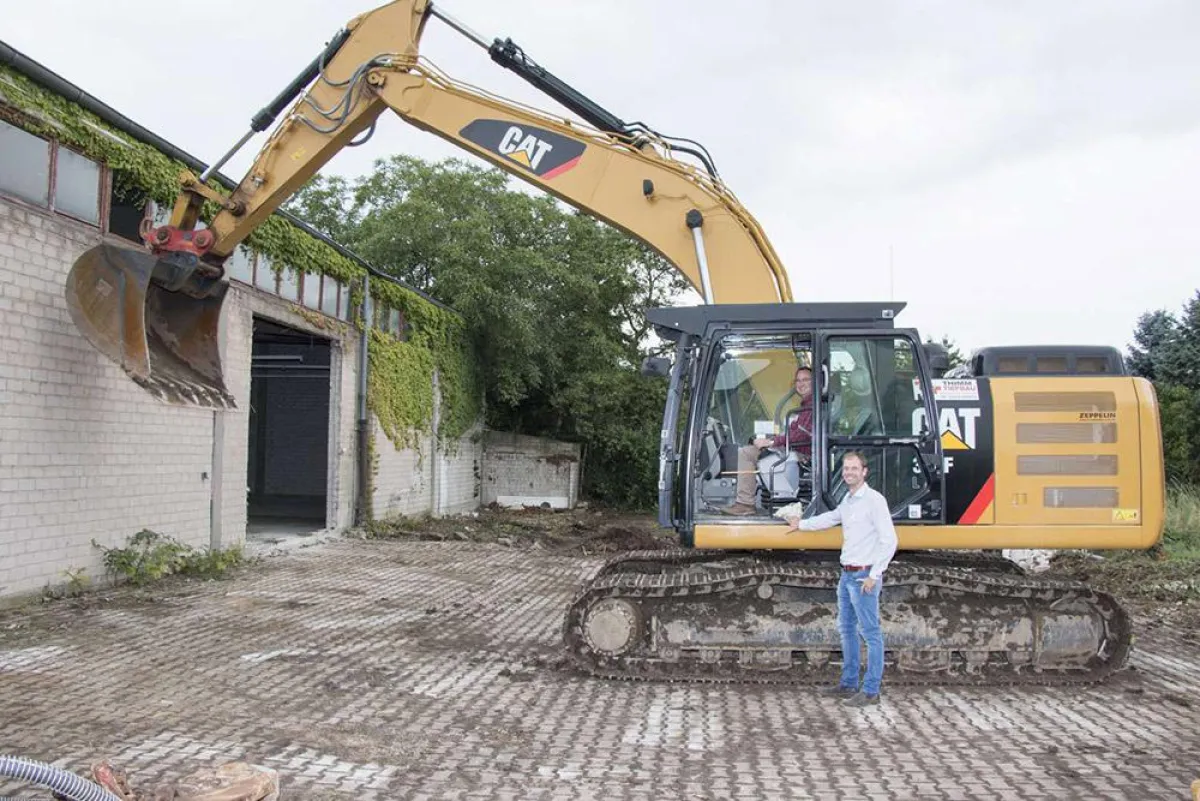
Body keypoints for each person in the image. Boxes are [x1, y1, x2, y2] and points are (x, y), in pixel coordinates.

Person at [785, 451, 897, 707]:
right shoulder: (848, 500)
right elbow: (832, 518)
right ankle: (848, 683)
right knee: (847, 630)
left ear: (864, 471)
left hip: (863, 576)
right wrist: (800, 525)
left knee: (870, 633)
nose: (849, 473)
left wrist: (874, 574)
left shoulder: (874, 501)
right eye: (846, 469)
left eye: (854, 469)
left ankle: (871, 691)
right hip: (847, 575)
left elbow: (890, 540)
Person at [722, 365, 813, 516]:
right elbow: (795, 433)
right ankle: (745, 501)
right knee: (749, 451)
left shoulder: (812, 406)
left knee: (746, 453)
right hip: (794, 449)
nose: (800, 384)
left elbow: (802, 435)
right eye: (798, 380)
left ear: (815, 382)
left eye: (805, 380)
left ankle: (745, 503)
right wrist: (773, 440)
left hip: (801, 454)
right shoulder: (806, 405)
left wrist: (771, 443)